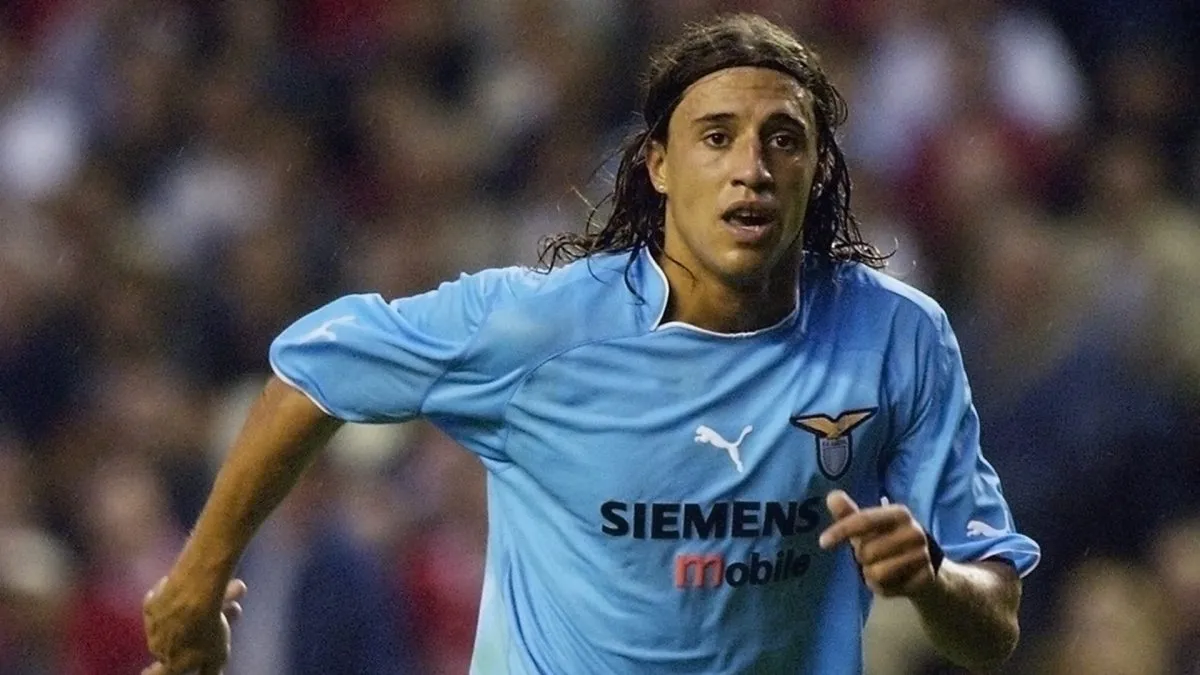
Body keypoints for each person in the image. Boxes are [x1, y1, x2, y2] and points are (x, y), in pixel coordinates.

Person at [142, 13, 1039, 675]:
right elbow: (312, 374)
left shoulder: (898, 335)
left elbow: (993, 624)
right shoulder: (539, 327)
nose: (752, 168)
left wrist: (929, 578)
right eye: (717, 138)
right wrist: (196, 580)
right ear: (658, 164)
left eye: (784, 141)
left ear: (818, 171)